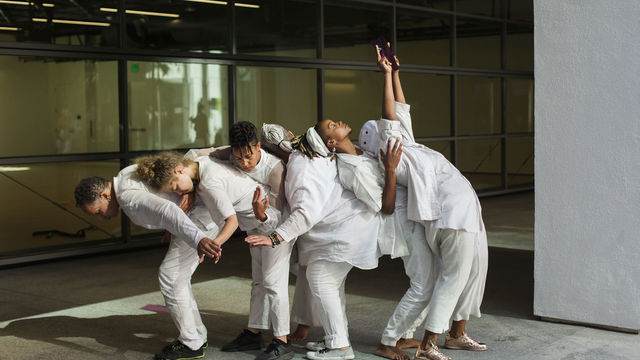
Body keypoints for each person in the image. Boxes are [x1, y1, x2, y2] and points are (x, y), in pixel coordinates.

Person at [316, 46, 489, 360]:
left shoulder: (401, 146)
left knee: (431, 281)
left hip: (420, 221)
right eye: (330, 127)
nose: (339, 122)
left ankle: (406, 335)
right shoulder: (384, 153)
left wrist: (394, 73)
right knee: (428, 283)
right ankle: (399, 341)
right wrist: (384, 76)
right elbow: (389, 119)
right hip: (409, 224)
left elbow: (400, 108)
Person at [135, 150, 293, 360]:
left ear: (179, 170)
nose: (178, 192)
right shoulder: (195, 161)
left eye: (175, 187)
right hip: (255, 224)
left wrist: (211, 245)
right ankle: (254, 333)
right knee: (259, 282)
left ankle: (283, 342)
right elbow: (210, 152)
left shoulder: (209, 183)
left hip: (273, 220)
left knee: (273, 283)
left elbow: (231, 222)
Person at [245, 128, 381, 360]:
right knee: (332, 285)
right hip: (350, 228)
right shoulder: (315, 154)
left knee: (321, 280)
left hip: (344, 231)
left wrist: (273, 237)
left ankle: (340, 348)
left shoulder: (301, 166)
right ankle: (335, 339)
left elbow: (304, 214)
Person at [74, 167, 221, 360]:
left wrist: (199, 240)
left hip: (199, 219)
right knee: (177, 278)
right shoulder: (125, 174)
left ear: (105, 195)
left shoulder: (128, 198)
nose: (101, 218)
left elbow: (169, 209)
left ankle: (192, 343)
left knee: (171, 277)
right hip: (197, 214)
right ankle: (195, 337)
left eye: (98, 212)